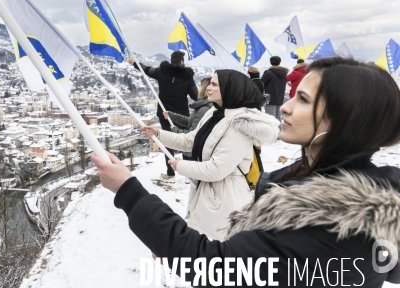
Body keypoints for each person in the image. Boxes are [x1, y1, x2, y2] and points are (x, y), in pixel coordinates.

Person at [91, 57, 400, 286]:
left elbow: (217, 266)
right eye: (293, 94)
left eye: (303, 99)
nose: (287, 107)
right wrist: (176, 248)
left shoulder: (333, 221)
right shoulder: (312, 181)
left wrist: (128, 191)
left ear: (344, 119)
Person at [137, 70, 280, 240]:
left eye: (214, 84)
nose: (208, 89)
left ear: (230, 89)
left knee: (216, 250)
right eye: (210, 83)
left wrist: (180, 166)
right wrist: (159, 134)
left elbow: (217, 169)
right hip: (207, 193)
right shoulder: (214, 113)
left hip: (226, 200)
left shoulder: (239, 126)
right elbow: (190, 140)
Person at [129, 51, 197, 179]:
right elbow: (195, 95)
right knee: (187, 142)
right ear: (182, 62)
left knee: (167, 141)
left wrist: (134, 63)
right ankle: (188, 173)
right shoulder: (187, 77)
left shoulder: (162, 72)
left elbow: (146, 69)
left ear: (171, 61)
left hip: (164, 114)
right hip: (182, 115)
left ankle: (170, 172)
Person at [163, 77, 212, 161]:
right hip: (191, 151)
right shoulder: (202, 106)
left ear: (204, 89)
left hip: (192, 152)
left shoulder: (204, 109)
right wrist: (172, 115)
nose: (198, 88)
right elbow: (189, 122)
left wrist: (175, 129)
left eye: (200, 86)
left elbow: (192, 133)